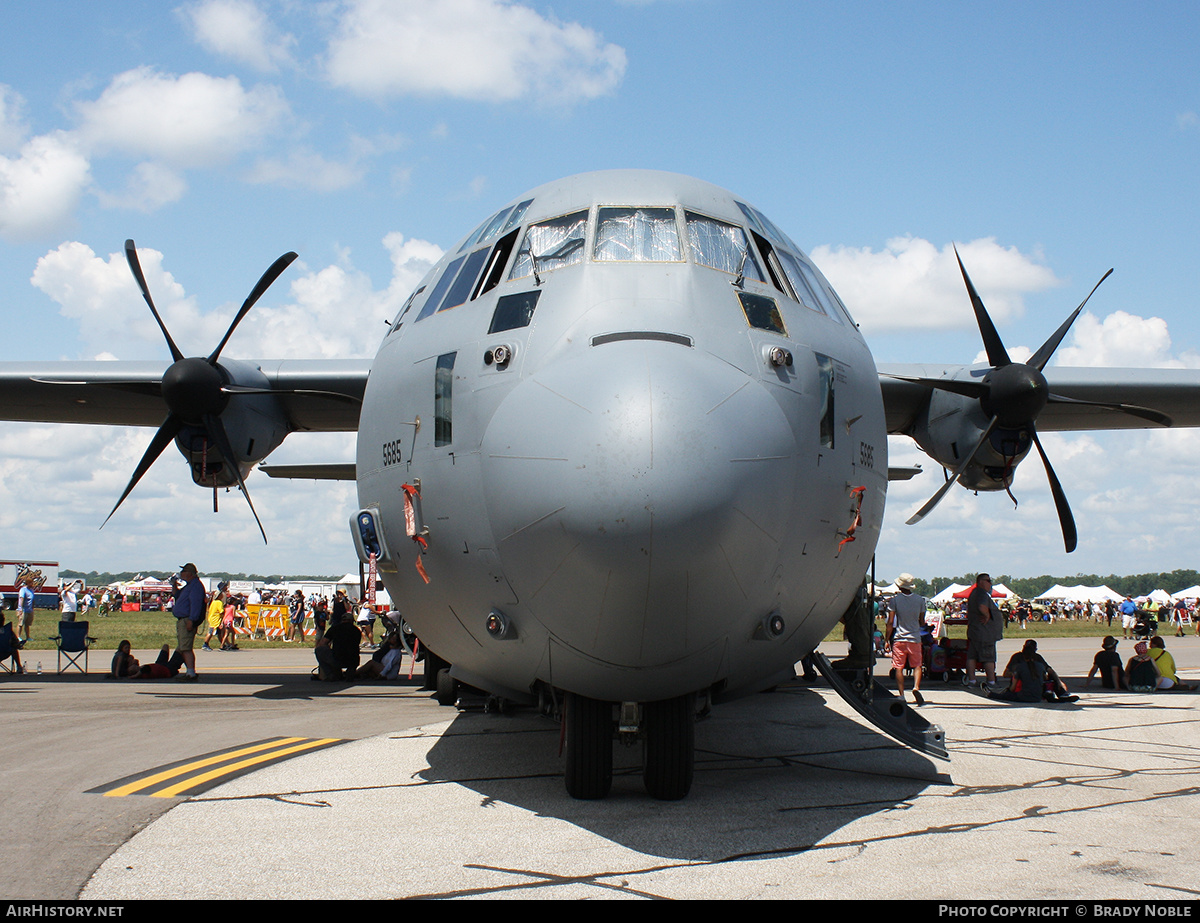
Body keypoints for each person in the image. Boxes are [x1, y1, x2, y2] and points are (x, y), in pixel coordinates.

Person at [885, 573, 926, 706]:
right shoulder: (920, 600)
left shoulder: (895, 600)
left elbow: (890, 622)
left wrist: (887, 639)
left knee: (898, 667)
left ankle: (902, 694)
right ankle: (916, 687)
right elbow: (921, 621)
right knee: (917, 665)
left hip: (900, 638)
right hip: (915, 637)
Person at [997, 639, 1078, 702]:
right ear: (1035, 649)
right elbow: (1006, 674)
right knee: (1048, 677)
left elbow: (1050, 671)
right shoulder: (1020, 658)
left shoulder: (1035, 658)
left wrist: (1058, 681)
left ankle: (1060, 693)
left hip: (1026, 687)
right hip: (1027, 686)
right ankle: (1056, 693)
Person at [965, 573, 1003, 693]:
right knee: (988, 657)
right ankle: (991, 682)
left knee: (972, 656)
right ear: (981, 582)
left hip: (975, 631)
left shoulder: (974, 593)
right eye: (988, 581)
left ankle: (972, 681)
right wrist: (987, 615)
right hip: (984, 633)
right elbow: (982, 607)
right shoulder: (981, 593)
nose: (990, 583)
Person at [169, 563, 205, 681]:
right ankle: (185, 670)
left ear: (189, 573)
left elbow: (195, 604)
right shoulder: (189, 586)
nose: (182, 573)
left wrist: (192, 620)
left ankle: (191, 673)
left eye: (184, 571)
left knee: (186, 648)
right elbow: (177, 595)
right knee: (183, 646)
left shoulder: (195, 587)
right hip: (183, 620)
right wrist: (174, 585)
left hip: (187, 620)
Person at [16, 577, 35, 647]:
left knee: (27, 624)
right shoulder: (23, 590)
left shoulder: (32, 590)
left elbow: (32, 600)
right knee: (21, 623)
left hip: (30, 610)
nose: (32, 584)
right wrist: (20, 609)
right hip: (23, 610)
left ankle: (28, 637)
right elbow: (21, 599)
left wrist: (32, 608)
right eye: (31, 583)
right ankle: (18, 637)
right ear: (27, 583)